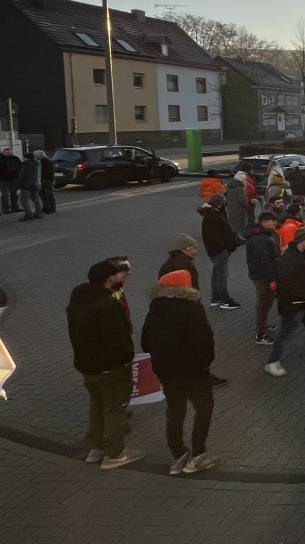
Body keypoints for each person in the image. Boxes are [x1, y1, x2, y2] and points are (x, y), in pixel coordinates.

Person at [68, 260, 144, 469]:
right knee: (114, 409)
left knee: (97, 405)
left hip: (86, 364)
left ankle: (95, 448)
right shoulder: (109, 305)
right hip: (110, 367)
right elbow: (116, 339)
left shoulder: (78, 299)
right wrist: (127, 357)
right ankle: (114, 453)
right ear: (109, 278)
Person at [140, 270, 217, 474]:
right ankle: (198, 454)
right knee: (204, 408)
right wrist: (204, 365)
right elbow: (204, 340)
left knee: (175, 410)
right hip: (193, 371)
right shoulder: (192, 309)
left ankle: (178, 454)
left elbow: (145, 342)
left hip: (166, 372)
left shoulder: (154, 309)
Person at [264, 229, 305, 377]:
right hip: (295, 305)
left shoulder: (301, 255)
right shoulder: (290, 258)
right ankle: (272, 362)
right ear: (302, 240)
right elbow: (287, 284)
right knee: (285, 334)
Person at [199, 194, 241, 310]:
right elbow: (220, 235)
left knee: (216, 274)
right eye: (223, 202)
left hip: (215, 250)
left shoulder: (211, 214)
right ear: (219, 204)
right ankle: (225, 300)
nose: (225, 204)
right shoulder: (213, 216)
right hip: (219, 250)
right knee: (222, 275)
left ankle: (216, 298)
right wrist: (229, 245)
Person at [245, 213, 279, 345]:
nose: (274, 223)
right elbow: (264, 261)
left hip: (260, 275)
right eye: (271, 221)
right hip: (262, 277)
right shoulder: (261, 240)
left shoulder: (262, 236)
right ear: (264, 223)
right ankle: (260, 334)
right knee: (263, 302)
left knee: (266, 301)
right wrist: (272, 279)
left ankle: (263, 325)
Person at [17, 150, 43, 220]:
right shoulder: (36, 164)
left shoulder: (26, 165)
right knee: (36, 199)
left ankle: (28, 215)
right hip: (35, 184)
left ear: (26, 158)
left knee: (24, 200)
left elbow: (23, 175)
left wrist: (18, 181)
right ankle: (38, 213)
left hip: (26, 185)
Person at [0, 146, 20, 214]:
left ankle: (15, 208)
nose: (8, 153)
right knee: (5, 195)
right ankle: (6, 210)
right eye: (7, 152)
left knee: (14, 194)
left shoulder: (15, 158)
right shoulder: (1, 159)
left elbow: (19, 167)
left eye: (9, 152)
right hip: (3, 179)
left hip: (13, 179)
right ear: (3, 152)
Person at [38, 149, 56, 214]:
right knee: (43, 194)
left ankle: (52, 208)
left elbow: (47, 172)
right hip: (44, 179)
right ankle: (46, 207)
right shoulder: (43, 161)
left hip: (47, 180)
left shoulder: (46, 162)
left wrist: (43, 179)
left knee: (49, 194)